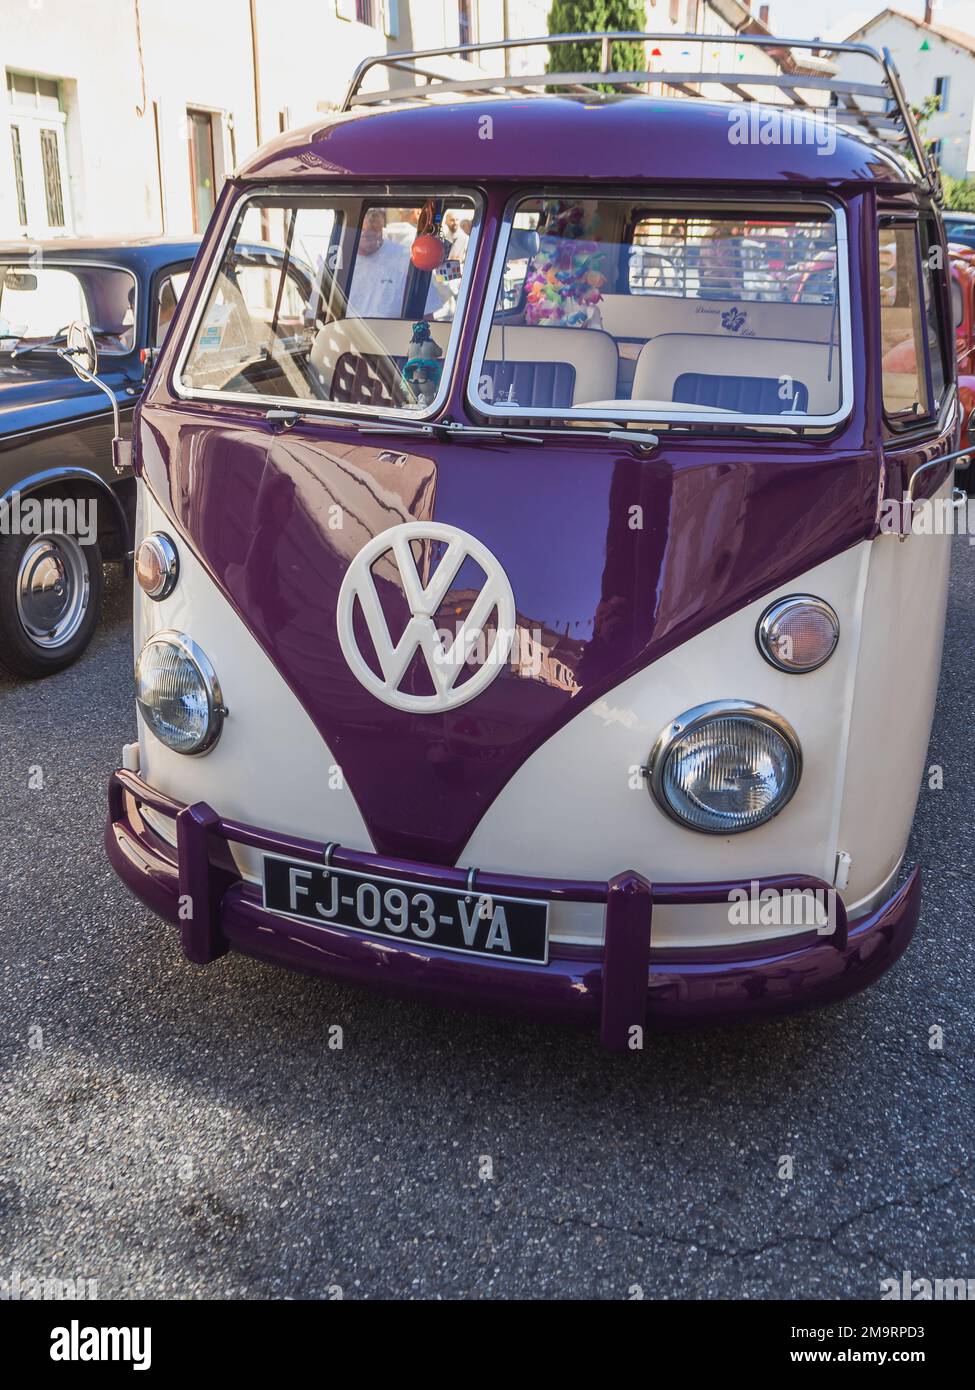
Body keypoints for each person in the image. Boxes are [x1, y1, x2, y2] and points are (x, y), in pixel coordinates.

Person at [346, 209, 412, 319]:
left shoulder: (404, 259)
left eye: (374, 216)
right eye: (361, 229)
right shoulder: (336, 261)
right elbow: (315, 314)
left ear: (383, 222)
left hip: (390, 334)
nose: (367, 225)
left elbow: (426, 317)